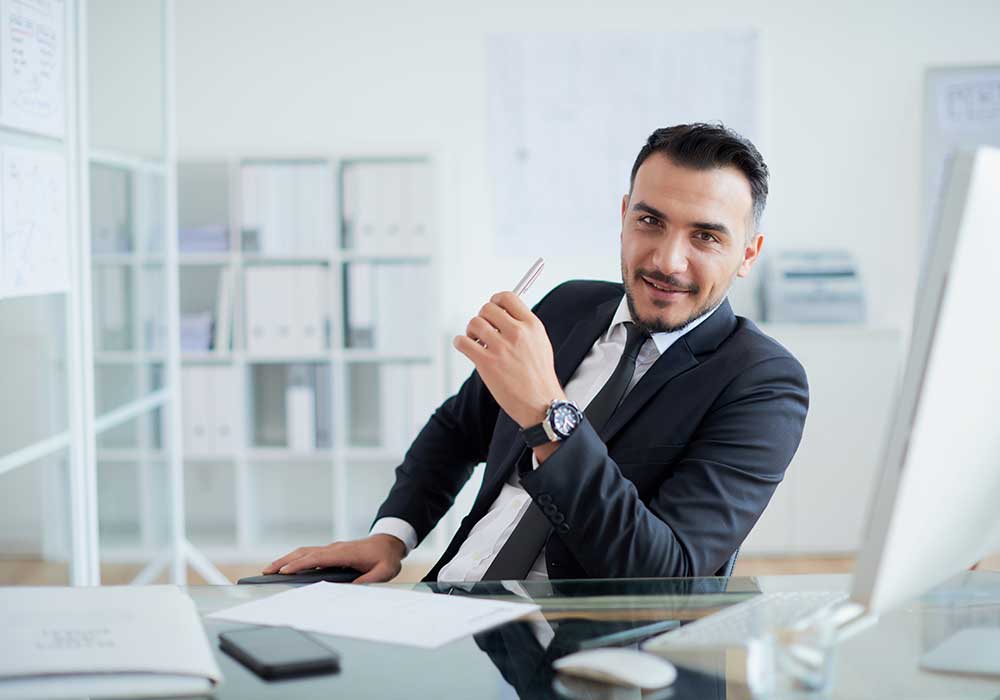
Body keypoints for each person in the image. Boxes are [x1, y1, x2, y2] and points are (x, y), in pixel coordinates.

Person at [265, 123, 809, 584]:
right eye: (650, 221)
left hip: (592, 648)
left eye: (706, 237)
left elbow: (665, 574)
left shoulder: (763, 382)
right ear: (624, 216)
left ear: (748, 254)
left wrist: (547, 415)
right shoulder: (568, 307)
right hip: (450, 605)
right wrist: (391, 535)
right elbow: (457, 429)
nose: (667, 261)